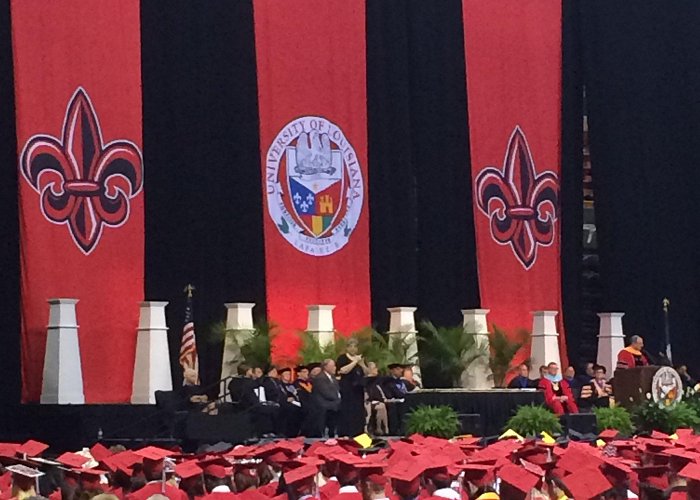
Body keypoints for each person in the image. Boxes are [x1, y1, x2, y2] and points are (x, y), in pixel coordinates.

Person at [336, 338, 369, 436]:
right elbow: (343, 370)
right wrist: (354, 362)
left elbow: (367, 372)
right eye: (351, 346)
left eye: (355, 346)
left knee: (359, 412)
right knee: (348, 410)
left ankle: (359, 433)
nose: (353, 349)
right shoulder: (342, 358)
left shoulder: (360, 358)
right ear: (347, 348)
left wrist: (362, 364)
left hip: (358, 389)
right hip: (347, 388)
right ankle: (347, 433)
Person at [312, 358, 341, 438]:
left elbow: (337, 389)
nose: (334, 368)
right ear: (325, 367)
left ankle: (333, 434)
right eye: (332, 366)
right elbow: (326, 393)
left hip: (333, 404)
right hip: (324, 405)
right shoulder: (320, 378)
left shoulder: (332, 377)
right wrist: (338, 399)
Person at [364, 361, 389, 435]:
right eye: (374, 368)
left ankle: (382, 428)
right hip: (368, 402)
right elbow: (368, 395)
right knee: (381, 406)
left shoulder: (377, 380)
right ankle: (382, 428)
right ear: (370, 370)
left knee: (382, 405)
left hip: (377, 401)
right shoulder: (367, 381)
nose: (376, 370)